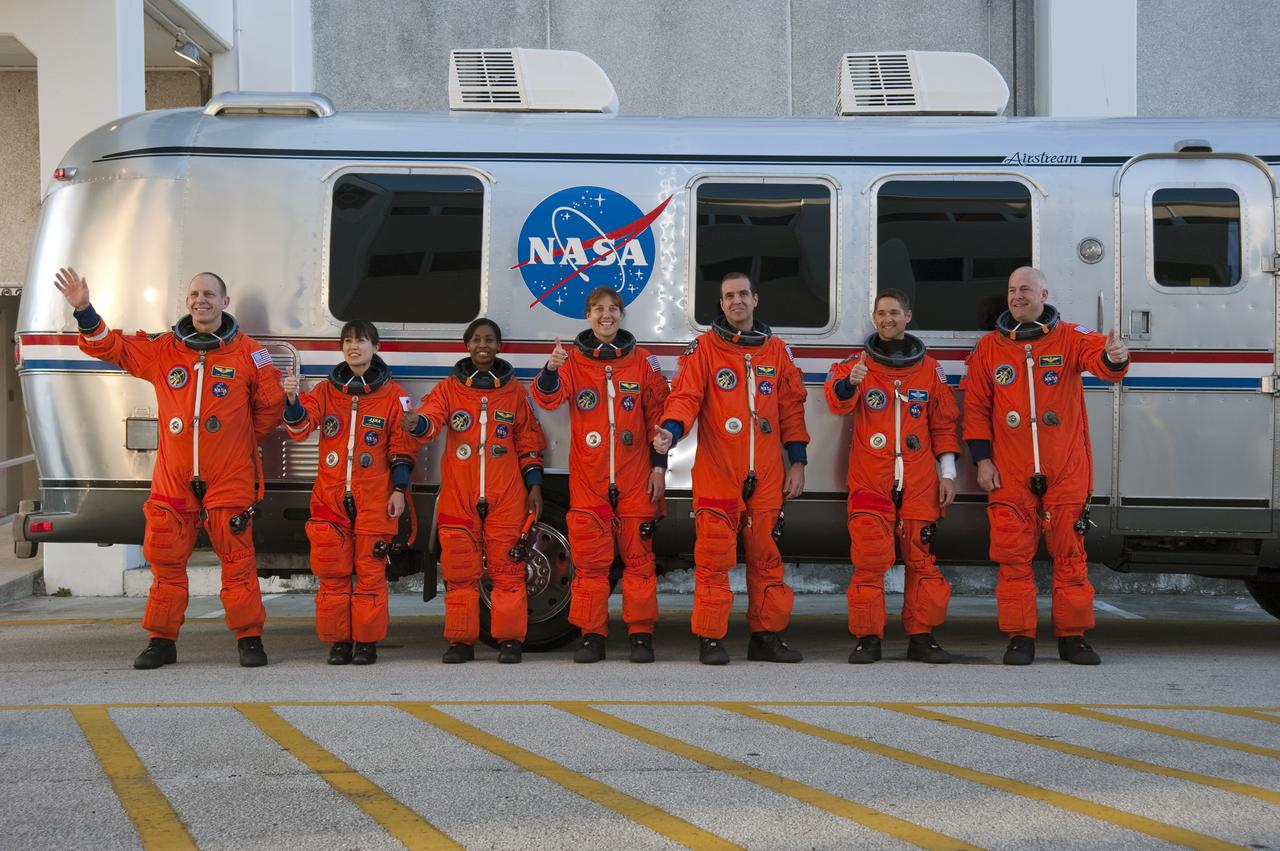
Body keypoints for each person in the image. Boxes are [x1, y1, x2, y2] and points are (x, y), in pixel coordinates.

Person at [54, 267, 284, 669]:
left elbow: (271, 404)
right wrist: (85, 309)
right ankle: (161, 641)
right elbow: (112, 347)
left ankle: (249, 639)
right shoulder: (165, 350)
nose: (202, 300)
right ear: (187, 301)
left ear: (225, 302)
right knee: (165, 560)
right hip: (174, 475)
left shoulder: (249, 352)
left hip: (229, 474)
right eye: (195, 293)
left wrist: (239, 442)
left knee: (237, 558)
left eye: (210, 294)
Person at [962, 266, 1129, 666]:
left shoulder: (1070, 337)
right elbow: (975, 409)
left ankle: (1073, 638)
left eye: (1025, 289)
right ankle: (1020, 638)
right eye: (1011, 290)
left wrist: (1114, 356)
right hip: (1009, 470)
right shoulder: (989, 349)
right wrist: (982, 460)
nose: (1017, 296)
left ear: (1044, 294)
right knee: (1012, 556)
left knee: (1070, 556)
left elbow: (1104, 365)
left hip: (1065, 467)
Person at [653, 272, 808, 665]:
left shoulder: (777, 352)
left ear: (755, 299)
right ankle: (710, 638)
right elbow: (685, 398)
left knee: (767, 559)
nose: (736, 301)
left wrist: (799, 463)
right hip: (719, 470)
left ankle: (766, 636)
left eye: (742, 294)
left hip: (768, 473)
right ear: (721, 305)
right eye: (728, 296)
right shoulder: (704, 349)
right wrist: (671, 432)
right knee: (714, 558)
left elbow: (791, 410)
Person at [532, 286, 670, 663]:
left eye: (612, 309)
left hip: (635, 477)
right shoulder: (574, 361)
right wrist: (551, 369)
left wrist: (659, 469)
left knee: (640, 563)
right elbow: (548, 397)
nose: (605, 315)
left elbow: (658, 420)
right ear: (588, 315)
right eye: (597, 309)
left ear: (621, 314)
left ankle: (641, 635)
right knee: (592, 566)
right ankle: (592, 635)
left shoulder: (644, 363)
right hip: (590, 480)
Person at [824, 289, 961, 664]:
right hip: (871, 480)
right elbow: (836, 401)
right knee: (869, 562)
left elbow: (945, 425)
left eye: (894, 312)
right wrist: (850, 382)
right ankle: (868, 640)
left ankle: (922, 638)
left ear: (908, 316)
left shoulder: (930, 370)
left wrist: (947, 474)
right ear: (874, 318)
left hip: (919, 482)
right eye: (881, 313)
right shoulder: (857, 365)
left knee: (922, 562)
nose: (888, 319)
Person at [403, 319, 545, 663]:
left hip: (506, 494)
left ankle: (510, 641)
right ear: (467, 345)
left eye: (490, 340)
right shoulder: (450, 389)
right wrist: (417, 423)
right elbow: (431, 418)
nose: (483, 345)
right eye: (477, 339)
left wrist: (535, 485)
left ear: (499, 347)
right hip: (460, 495)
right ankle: (461, 642)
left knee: (509, 571)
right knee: (460, 572)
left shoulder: (513, 393)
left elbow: (528, 441)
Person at [282, 321, 416, 666]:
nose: (352, 346)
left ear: (375, 346)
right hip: (331, 498)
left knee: (370, 574)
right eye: (347, 341)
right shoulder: (327, 391)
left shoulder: (393, 395)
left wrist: (399, 490)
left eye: (360, 341)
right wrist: (293, 401)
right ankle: (339, 641)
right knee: (332, 574)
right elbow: (301, 426)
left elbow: (402, 448)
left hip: (374, 497)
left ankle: (367, 642)